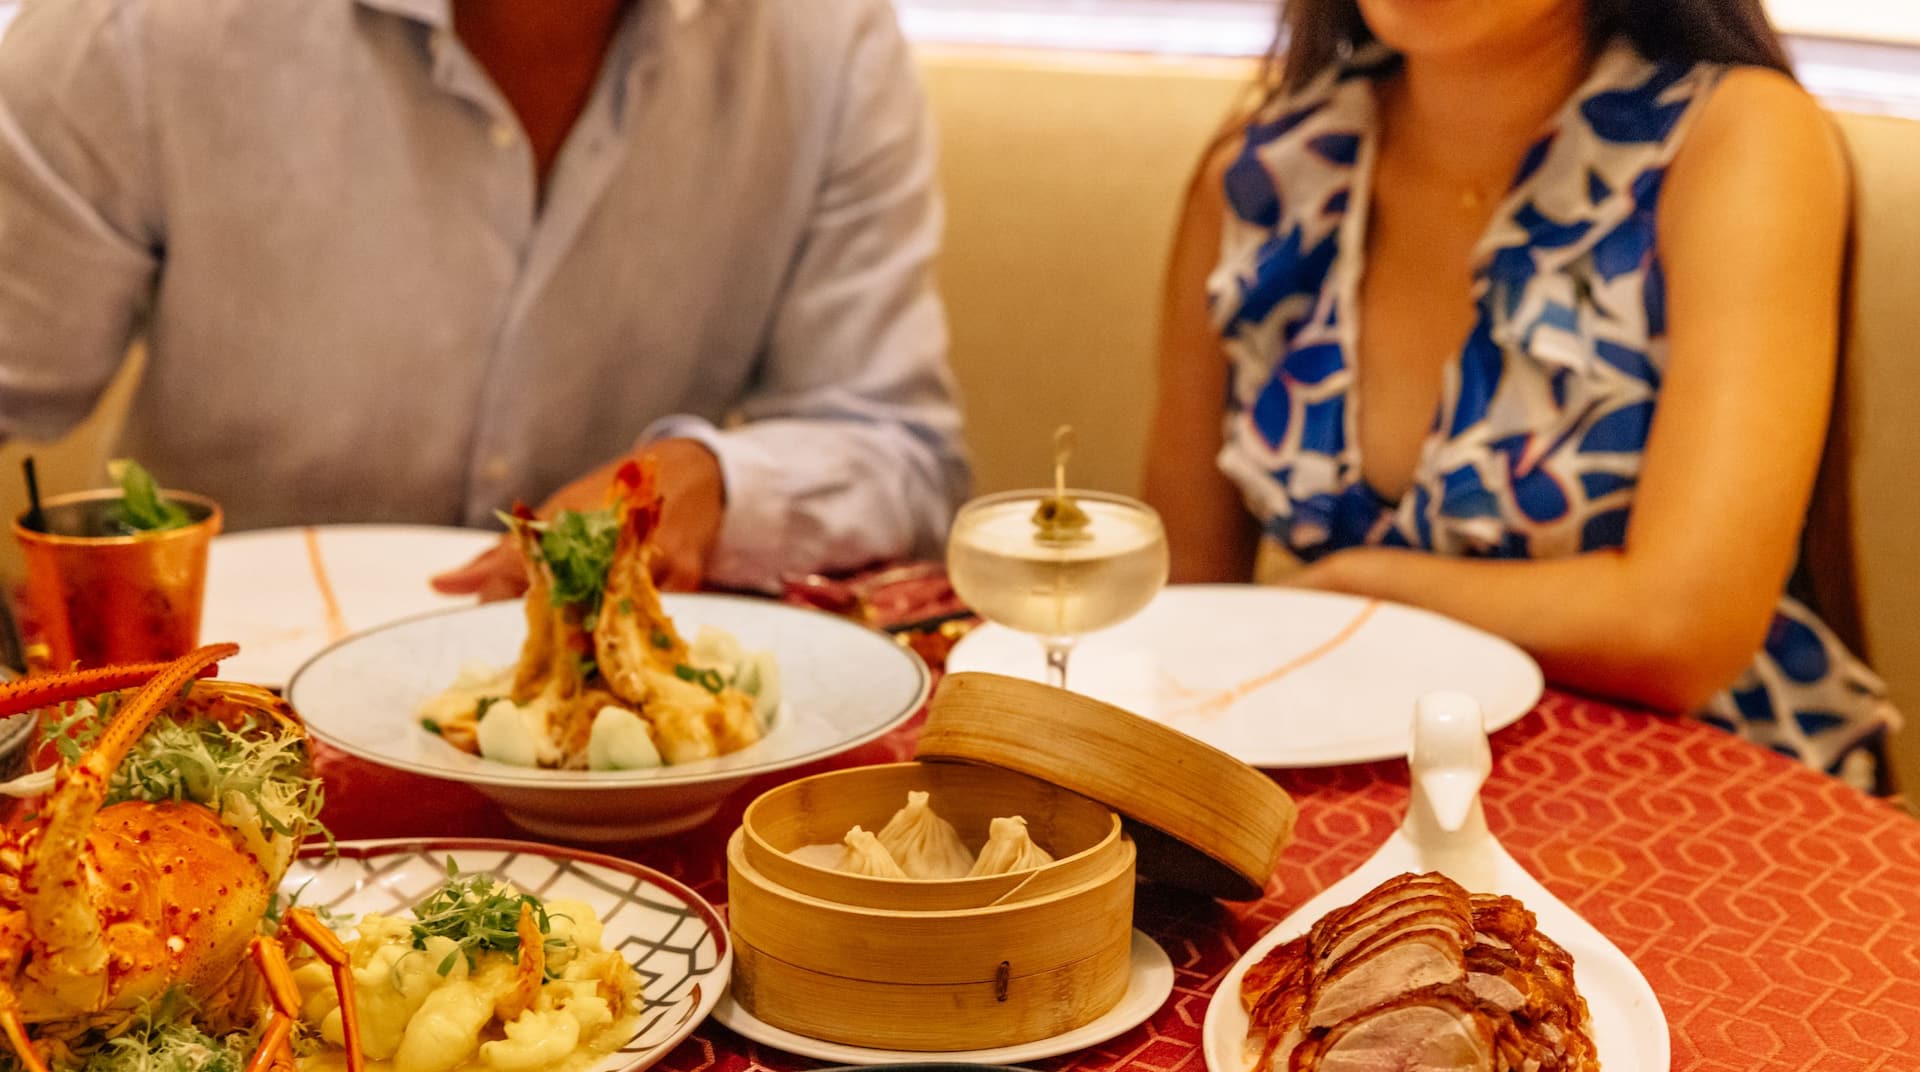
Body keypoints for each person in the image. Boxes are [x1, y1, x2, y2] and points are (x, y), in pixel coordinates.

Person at [1145, 0, 1900, 790]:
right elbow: (1185, 605)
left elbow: (1684, 628)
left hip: (1696, 791)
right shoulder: (1265, 173)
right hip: (1355, 779)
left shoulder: (1732, 135)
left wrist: (1356, 587)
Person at [0, 0, 968, 596]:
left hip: (598, 773)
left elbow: (904, 451)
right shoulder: (134, 27)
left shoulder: (827, 41)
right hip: (191, 742)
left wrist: (713, 482)